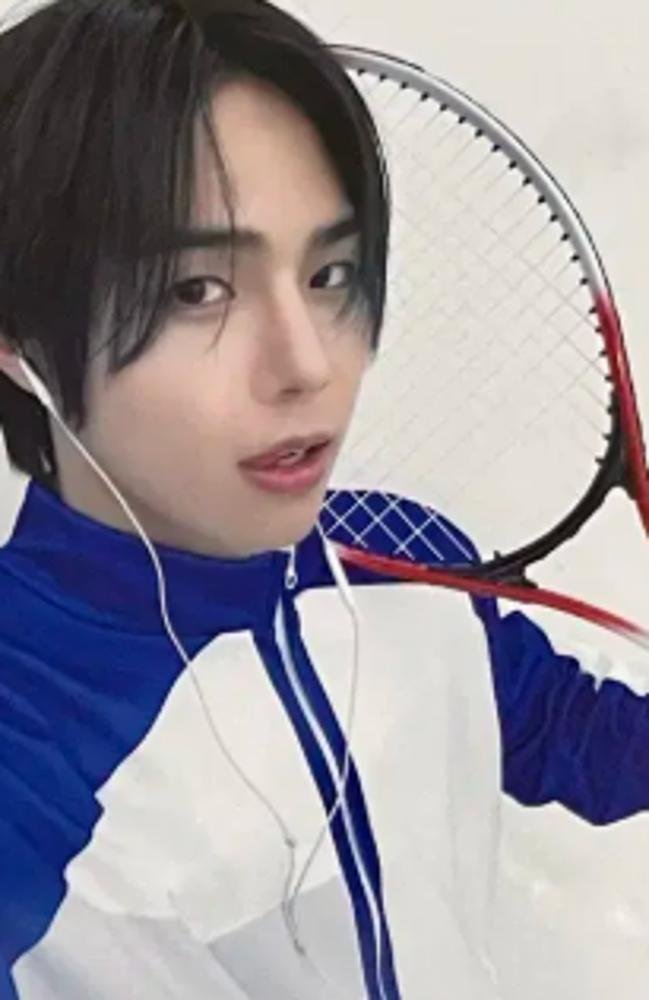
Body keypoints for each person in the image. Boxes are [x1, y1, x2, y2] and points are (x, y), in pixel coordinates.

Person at [0, 2, 647, 998]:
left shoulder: (397, 555)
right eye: (195, 291)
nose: (308, 363)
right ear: (18, 340)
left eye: (330, 272)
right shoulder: (23, 754)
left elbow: (576, 740)